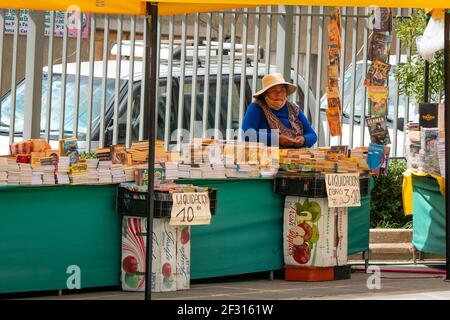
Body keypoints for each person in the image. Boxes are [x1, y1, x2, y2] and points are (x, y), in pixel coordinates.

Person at [242, 73, 317, 148]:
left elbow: (312, 135)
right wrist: (276, 139)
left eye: (282, 89)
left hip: (294, 157)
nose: (279, 93)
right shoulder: (256, 108)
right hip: (267, 157)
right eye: (273, 90)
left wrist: (303, 140)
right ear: (265, 94)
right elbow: (247, 134)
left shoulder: (294, 109)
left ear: (286, 93)